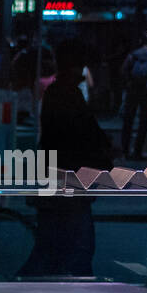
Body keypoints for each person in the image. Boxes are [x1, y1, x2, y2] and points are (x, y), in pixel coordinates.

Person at [19, 39, 110, 278]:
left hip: (58, 178)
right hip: (69, 180)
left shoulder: (58, 93)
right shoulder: (67, 94)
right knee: (76, 247)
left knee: (52, 246)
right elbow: (83, 135)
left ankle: (30, 288)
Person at [121, 40, 147, 159]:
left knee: (128, 120)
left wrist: (128, 82)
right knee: (143, 122)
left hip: (133, 89)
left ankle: (125, 150)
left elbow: (123, 70)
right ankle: (138, 151)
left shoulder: (133, 55)